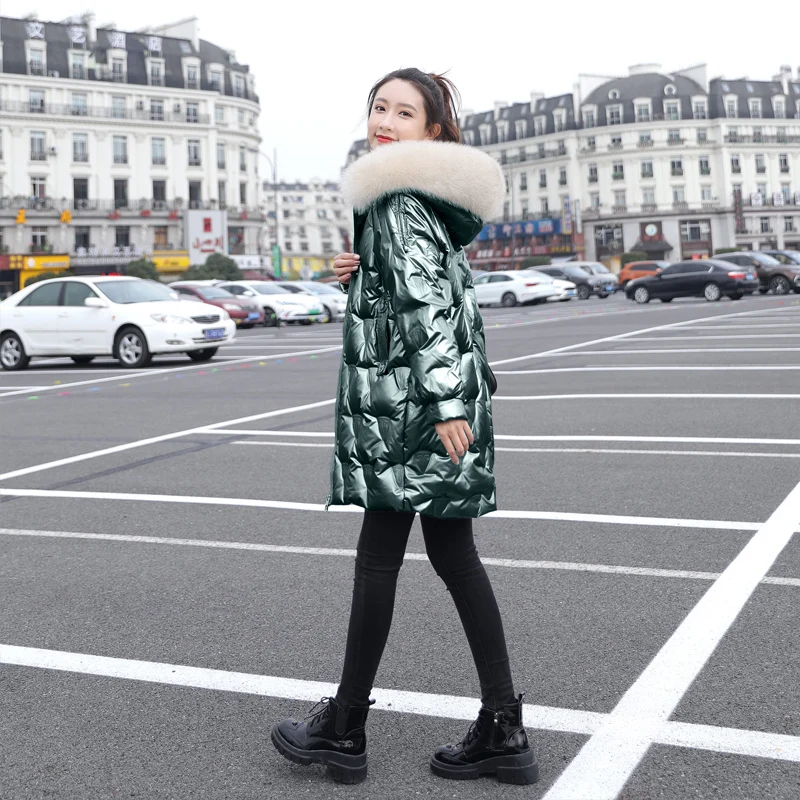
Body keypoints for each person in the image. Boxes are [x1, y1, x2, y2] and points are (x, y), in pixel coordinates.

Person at [271, 68, 538, 787]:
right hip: (434, 402)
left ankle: (345, 726)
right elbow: (433, 293)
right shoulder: (426, 201)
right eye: (378, 107)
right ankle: (502, 727)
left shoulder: (393, 199)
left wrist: (446, 403)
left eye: (403, 113)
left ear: (433, 131)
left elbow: (425, 307)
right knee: (454, 557)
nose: (384, 122)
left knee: (380, 560)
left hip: (413, 410)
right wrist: (362, 277)